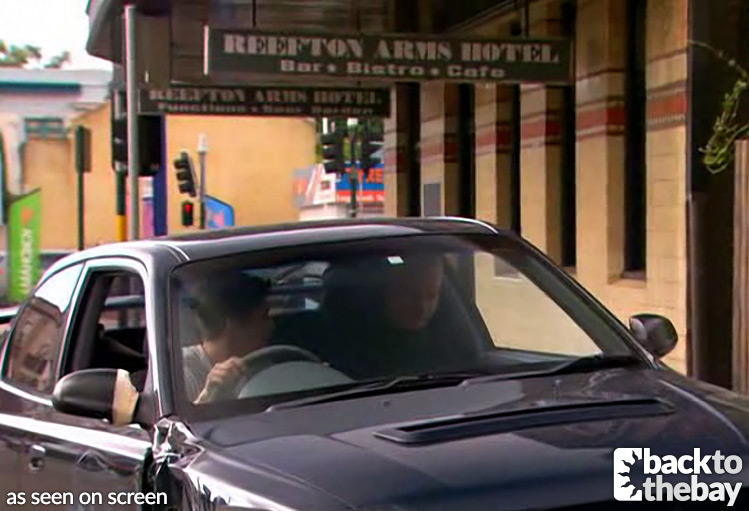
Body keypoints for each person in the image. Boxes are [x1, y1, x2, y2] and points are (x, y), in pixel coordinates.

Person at [182, 272, 273, 403]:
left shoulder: (261, 365)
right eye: (263, 318)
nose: (271, 325)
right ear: (233, 326)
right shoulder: (182, 373)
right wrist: (207, 396)